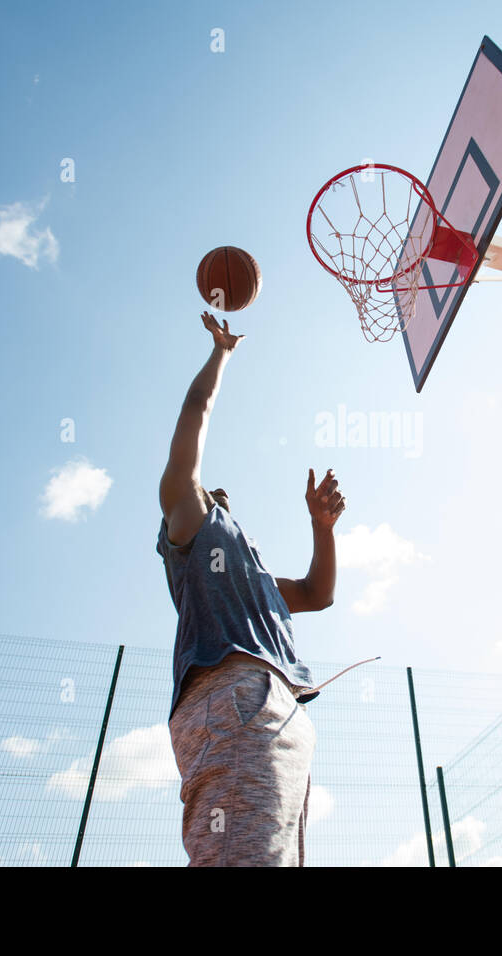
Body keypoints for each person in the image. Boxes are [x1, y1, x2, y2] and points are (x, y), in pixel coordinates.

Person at [157, 311, 345, 866]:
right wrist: (223, 352)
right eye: (209, 492)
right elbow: (196, 410)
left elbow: (317, 593)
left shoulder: (252, 576)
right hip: (238, 702)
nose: (220, 493)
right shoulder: (193, 529)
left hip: (264, 707)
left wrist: (322, 528)